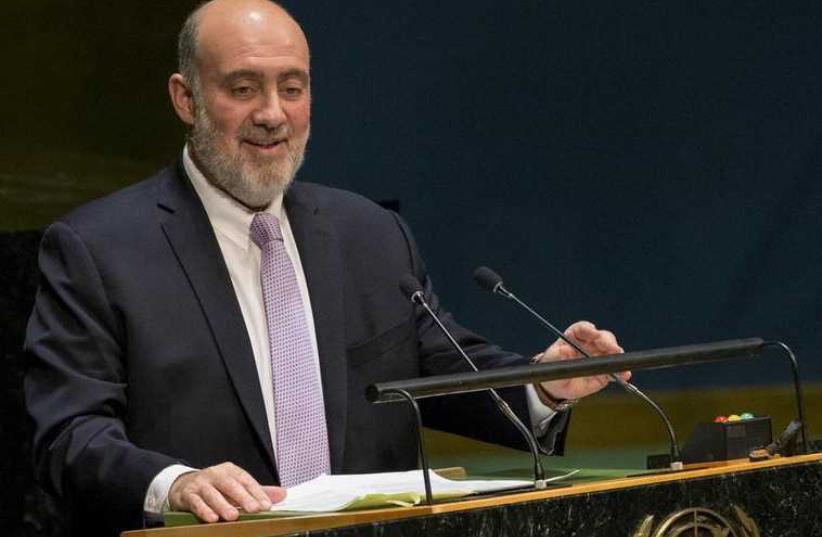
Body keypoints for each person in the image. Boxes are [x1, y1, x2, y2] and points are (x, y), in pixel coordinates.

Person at [23, 1, 629, 535]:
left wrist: (544, 383)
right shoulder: (98, 249)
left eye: (292, 88)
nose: (272, 114)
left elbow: (439, 371)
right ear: (186, 98)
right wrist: (173, 483)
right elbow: (69, 434)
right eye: (243, 89)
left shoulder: (370, 234)